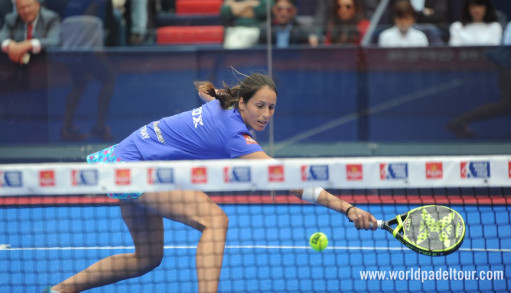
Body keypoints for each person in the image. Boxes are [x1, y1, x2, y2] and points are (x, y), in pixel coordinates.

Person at [43, 70, 378, 293]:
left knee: (146, 258)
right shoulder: (234, 133)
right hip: (137, 167)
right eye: (259, 105)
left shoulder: (226, 103)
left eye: (272, 108)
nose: (265, 114)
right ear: (243, 103)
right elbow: (289, 180)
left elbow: (208, 93)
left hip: (124, 158)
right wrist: (346, 208)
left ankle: (59, 290)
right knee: (215, 220)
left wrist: (214, 93)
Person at [0, 0, 60, 64]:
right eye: (22, 7)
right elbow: (2, 37)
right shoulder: (11, 19)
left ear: (38, 5)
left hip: (42, 65)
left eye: (29, 6)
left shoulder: (51, 18)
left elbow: (54, 41)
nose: (26, 11)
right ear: (16, 9)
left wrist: (29, 44)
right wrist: (9, 44)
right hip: (16, 65)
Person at [308, 0, 378, 46]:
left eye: (348, 7)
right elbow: (328, 48)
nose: (343, 10)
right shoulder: (333, 26)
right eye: (339, 7)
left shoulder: (364, 26)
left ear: (355, 8)